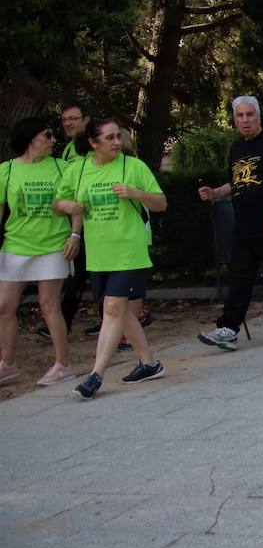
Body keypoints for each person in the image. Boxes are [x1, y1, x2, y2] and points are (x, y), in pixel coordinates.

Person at [54, 118, 168, 399]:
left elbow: (161, 203)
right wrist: (67, 206)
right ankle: (150, 363)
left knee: (113, 309)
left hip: (129, 251)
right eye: (110, 138)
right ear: (93, 143)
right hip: (99, 255)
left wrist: (137, 193)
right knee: (121, 311)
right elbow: (58, 204)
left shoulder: (133, 166)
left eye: (118, 136)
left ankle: (96, 375)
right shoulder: (77, 170)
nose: (117, 142)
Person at [196, 96, 263, 351]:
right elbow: (235, 183)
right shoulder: (236, 148)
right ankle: (229, 328)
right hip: (243, 225)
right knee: (240, 277)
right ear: (234, 119)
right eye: (240, 116)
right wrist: (215, 193)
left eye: (249, 115)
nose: (245, 120)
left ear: (258, 116)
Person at [0, 118, 77, 386]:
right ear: (32, 138)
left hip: (53, 246)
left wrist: (75, 235)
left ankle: (63, 364)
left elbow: (75, 202)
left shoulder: (61, 166)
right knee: (4, 306)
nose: (53, 140)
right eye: (48, 135)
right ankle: (7, 364)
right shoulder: (7, 171)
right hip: (15, 246)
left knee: (49, 305)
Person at [55, 101, 91, 335]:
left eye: (73, 119)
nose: (68, 123)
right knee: (79, 268)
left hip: (91, 217)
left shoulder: (90, 143)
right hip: (75, 215)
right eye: (64, 120)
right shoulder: (69, 148)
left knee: (82, 269)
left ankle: (64, 319)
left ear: (86, 120)